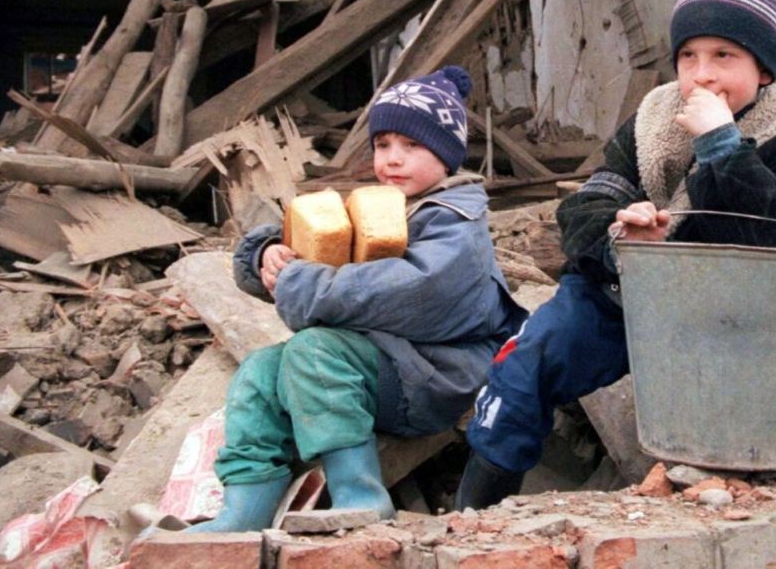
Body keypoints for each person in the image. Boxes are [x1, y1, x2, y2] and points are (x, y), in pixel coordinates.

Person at [456, 0, 776, 509]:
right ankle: (476, 518)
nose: (702, 74)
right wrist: (621, 237)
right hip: (621, 300)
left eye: (724, 56)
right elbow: (584, 207)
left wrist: (723, 146)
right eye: (688, 57)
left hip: (723, 319)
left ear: (764, 71)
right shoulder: (650, 122)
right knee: (526, 365)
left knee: (712, 455)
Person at [191, 65, 527, 531]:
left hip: (438, 374)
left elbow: (409, 291)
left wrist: (298, 282)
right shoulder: (382, 208)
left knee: (314, 350)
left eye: (412, 146)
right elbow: (319, 248)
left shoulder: (455, 224)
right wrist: (267, 256)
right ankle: (243, 510)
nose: (393, 158)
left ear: (448, 156)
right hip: (387, 364)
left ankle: (359, 495)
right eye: (383, 145)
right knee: (259, 372)